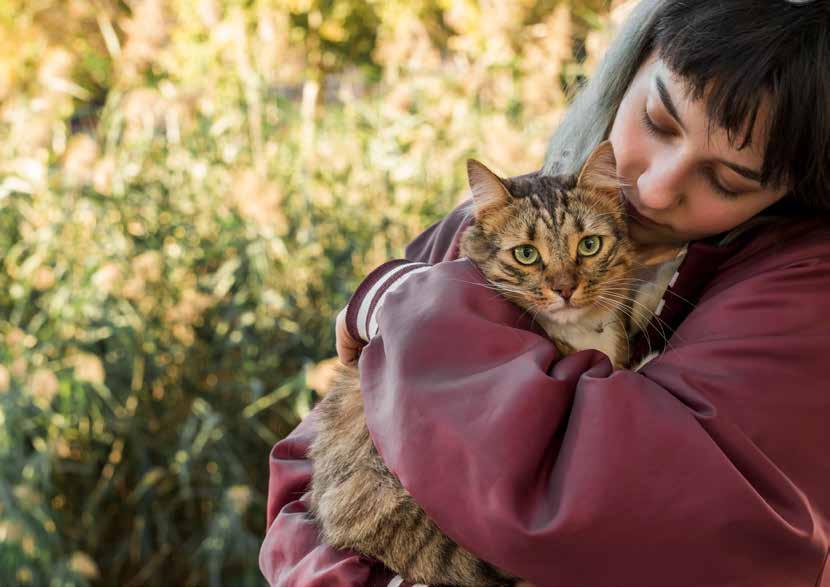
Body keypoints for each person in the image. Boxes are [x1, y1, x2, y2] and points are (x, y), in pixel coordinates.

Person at [260, 0, 830, 585]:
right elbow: (301, 480)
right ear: (627, 67)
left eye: (725, 180)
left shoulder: (800, 297)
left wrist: (399, 301)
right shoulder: (485, 221)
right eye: (658, 122)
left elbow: (612, 500)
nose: (655, 191)